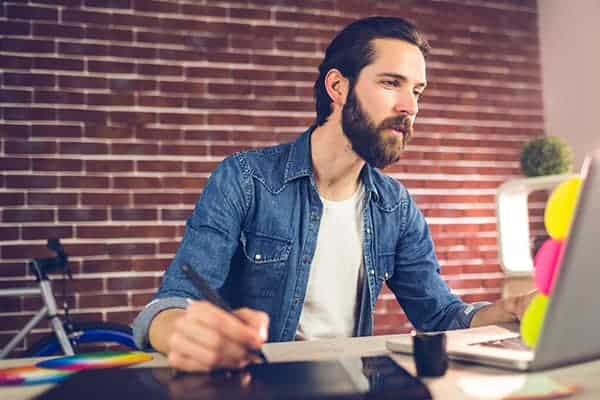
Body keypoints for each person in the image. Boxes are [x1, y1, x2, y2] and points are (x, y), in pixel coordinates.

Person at [132, 16, 535, 372]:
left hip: (351, 386)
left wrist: (508, 309)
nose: (409, 105)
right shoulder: (245, 179)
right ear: (338, 87)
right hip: (257, 385)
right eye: (391, 83)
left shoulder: (395, 207)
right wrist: (183, 332)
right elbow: (168, 306)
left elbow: (440, 314)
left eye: (418, 91)